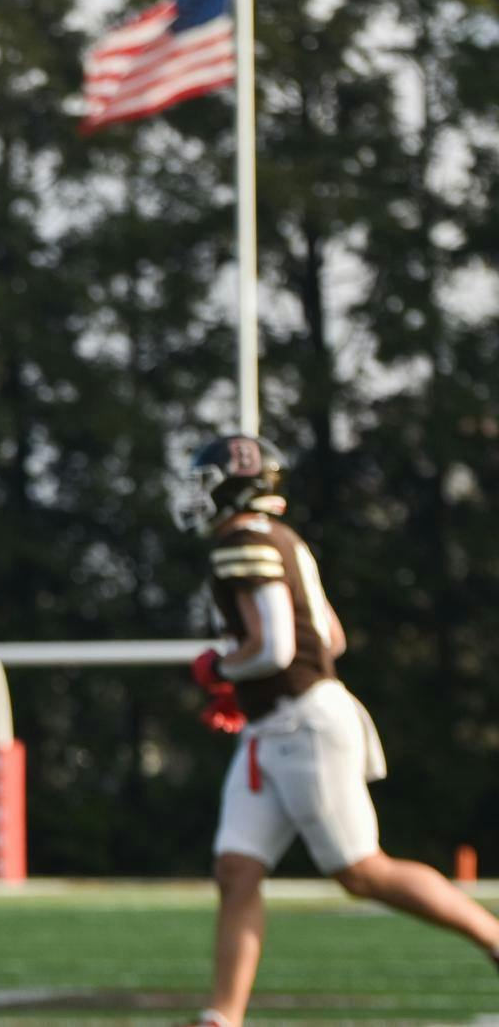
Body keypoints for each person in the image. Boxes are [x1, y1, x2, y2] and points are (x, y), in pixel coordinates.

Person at [174, 435, 499, 1027]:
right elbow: (332, 638)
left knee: (362, 871)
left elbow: (275, 648)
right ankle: (221, 1017)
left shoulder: (242, 543)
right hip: (275, 728)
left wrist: (221, 669)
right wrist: (245, 685)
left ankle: (495, 938)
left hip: (302, 725)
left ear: (235, 485)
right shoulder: (283, 539)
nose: (199, 497)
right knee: (237, 870)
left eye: (207, 483)